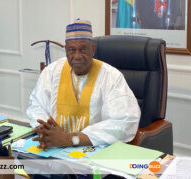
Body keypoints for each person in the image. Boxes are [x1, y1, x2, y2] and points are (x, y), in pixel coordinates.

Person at [26, 19, 141, 148]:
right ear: (65, 50)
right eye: (71, 50)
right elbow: (36, 106)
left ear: (93, 49)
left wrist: (71, 139)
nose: (77, 56)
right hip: (55, 146)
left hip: (93, 149)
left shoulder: (111, 77)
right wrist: (45, 131)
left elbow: (124, 123)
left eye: (83, 49)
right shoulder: (51, 72)